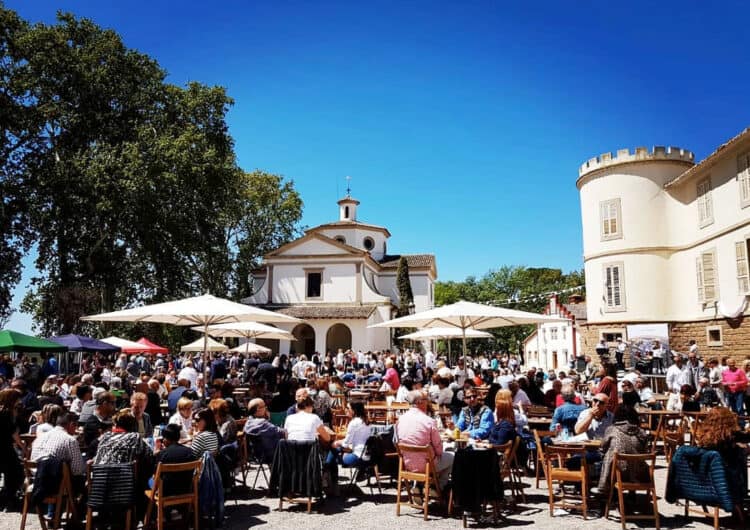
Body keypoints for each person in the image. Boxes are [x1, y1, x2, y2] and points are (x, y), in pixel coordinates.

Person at [93, 409, 154, 520]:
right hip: (123, 488)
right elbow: (149, 455)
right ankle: (141, 513)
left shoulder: (104, 437)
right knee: (144, 471)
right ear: (133, 425)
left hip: (99, 488)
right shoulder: (134, 437)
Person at [395, 390, 454, 489]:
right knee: (452, 457)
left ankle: (419, 486)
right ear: (419, 402)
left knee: (430, 456)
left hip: (407, 465)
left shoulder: (400, 420)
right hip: (427, 465)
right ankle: (438, 486)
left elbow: (396, 441)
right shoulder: (428, 421)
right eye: (426, 400)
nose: (428, 402)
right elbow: (439, 450)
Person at [591, 405, 649, 496]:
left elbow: (603, 449)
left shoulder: (612, 430)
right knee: (631, 458)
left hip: (618, 474)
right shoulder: (642, 432)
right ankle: (631, 495)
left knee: (607, 459)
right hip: (640, 474)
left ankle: (606, 491)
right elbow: (645, 451)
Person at [30, 412, 86, 495]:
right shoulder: (69, 440)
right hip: (54, 482)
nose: (76, 430)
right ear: (71, 424)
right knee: (84, 480)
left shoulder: (40, 437)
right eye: (76, 426)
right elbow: (77, 470)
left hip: (36, 480)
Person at [152, 424, 197, 496]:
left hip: (166, 493)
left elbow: (156, 477)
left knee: (149, 480)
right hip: (186, 491)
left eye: (164, 438)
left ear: (166, 439)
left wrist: (156, 452)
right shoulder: (190, 452)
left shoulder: (162, 454)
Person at [0, 388, 24, 510]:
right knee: (15, 473)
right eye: (17, 398)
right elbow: (13, 433)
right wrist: (23, 446)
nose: (19, 401)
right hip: (5, 448)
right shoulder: (8, 413)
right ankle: (9, 500)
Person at [243, 398, 285, 464]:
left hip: (256, 455)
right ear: (258, 409)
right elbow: (282, 432)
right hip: (270, 456)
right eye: (264, 406)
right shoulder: (262, 423)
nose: (266, 408)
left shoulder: (248, 423)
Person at [83, 391, 116, 455]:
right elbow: (91, 448)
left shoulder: (113, 419)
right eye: (113, 403)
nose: (115, 406)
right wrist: (103, 437)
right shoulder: (91, 423)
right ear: (105, 404)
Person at [721, 358, 747, 422]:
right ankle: (735, 423)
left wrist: (736, 383)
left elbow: (745, 381)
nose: (732, 366)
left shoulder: (739, 371)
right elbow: (723, 381)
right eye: (730, 365)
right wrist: (725, 384)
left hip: (738, 392)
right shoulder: (724, 372)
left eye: (733, 365)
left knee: (739, 408)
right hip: (729, 392)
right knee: (733, 409)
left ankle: (742, 424)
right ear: (727, 365)